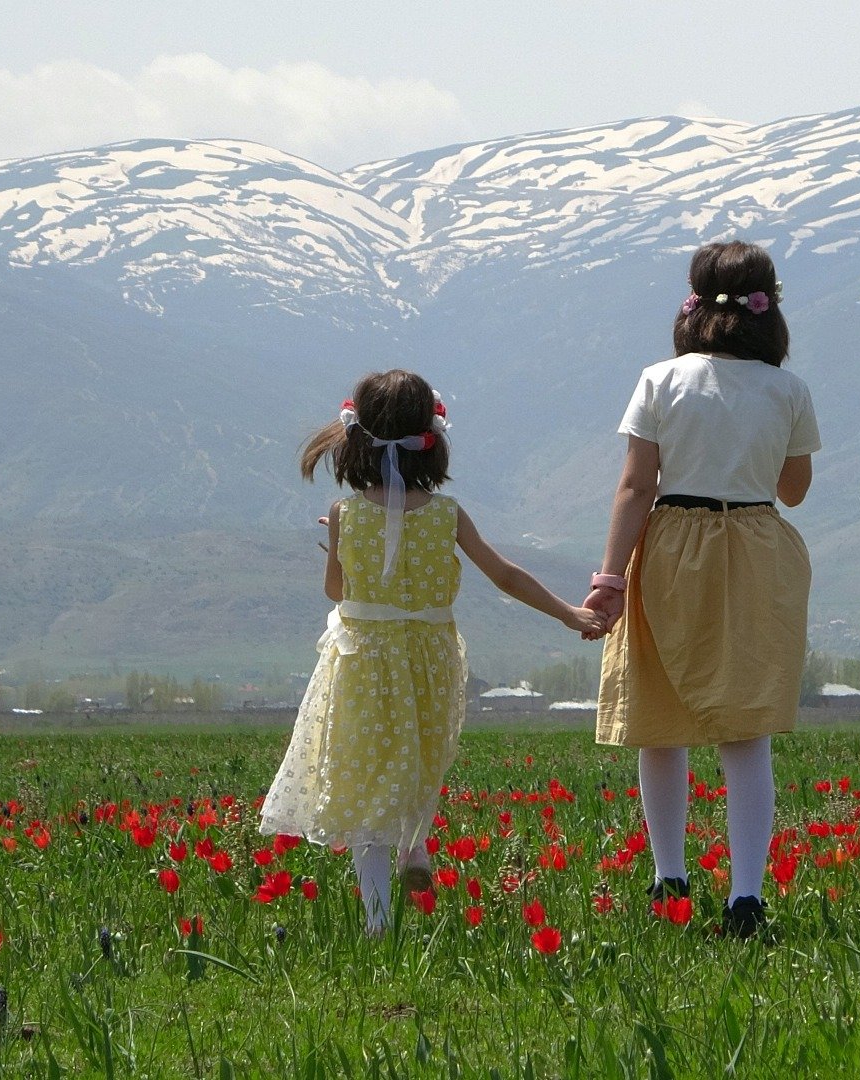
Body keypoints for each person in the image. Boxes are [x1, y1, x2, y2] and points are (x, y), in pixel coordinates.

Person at [260, 369, 605, 935]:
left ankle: (378, 919)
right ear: (432, 437)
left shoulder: (347, 515)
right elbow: (505, 576)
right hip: (430, 656)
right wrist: (569, 614)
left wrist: (339, 548)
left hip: (363, 661)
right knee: (421, 757)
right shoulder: (447, 514)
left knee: (364, 773)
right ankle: (415, 845)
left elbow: (336, 592)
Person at [585, 241, 819, 938]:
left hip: (669, 547)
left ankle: (668, 878)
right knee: (745, 730)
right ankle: (746, 896)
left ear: (692, 302)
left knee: (661, 721)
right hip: (754, 547)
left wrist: (608, 578)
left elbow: (636, 485)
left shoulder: (660, 380)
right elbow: (794, 491)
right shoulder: (788, 389)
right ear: (767, 306)